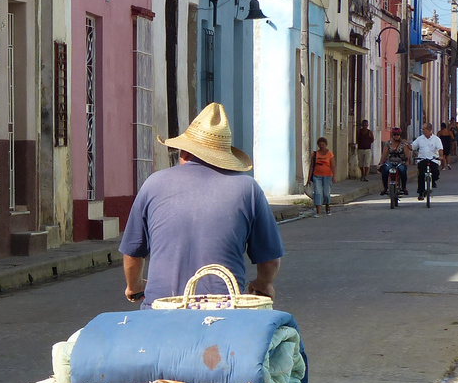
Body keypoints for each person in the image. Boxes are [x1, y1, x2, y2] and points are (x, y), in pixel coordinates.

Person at [120, 103, 283, 308]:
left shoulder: (153, 183)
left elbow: (133, 253)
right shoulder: (248, 189)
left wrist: (133, 287)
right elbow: (270, 261)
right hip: (225, 311)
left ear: (185, 153)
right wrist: (263, 285)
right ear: (224, 157)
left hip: (161, 309)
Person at [412, 122, 445, 199]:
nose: (422, 130)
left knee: (435, 172)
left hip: (433, 160)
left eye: (424, 129)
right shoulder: (420, 139)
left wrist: (440, 156)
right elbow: (412, 146)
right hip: (422, 159)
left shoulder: (436, 139)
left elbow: (440, 149)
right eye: (422, 129)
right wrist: (406, 145)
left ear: (429, 130)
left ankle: (432, 181)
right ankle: (420, 192)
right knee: (421, 175)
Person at [306, 136, 335, 217]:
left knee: (326, 193)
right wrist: (308, 178)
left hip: (327, 176)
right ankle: (318, 212)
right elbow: (312, 166)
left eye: (323, 144)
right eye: (320, 144)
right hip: (317, 176)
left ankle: (327, 207)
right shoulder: (315, 154)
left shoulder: (330, 154)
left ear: (326, 144)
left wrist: (334, 176)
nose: (322, 146)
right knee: (318, 193)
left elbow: (333, 165)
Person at [380, 128, 411, 196]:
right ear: (392, 135)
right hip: (390, 161)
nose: (396, 136)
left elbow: (407, 154)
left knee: (402, 170)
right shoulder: (388, 144)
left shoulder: (404, 144)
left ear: (400, 135)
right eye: (394, 134)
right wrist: (381, 162)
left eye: (398, 134)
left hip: (401, 162)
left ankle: (403, 187)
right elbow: (384, 154)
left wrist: (407, 161)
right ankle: (385, 187)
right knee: (385, 170)